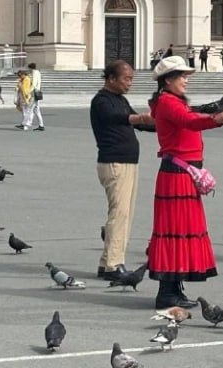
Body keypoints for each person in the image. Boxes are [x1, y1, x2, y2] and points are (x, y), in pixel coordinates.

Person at [148, 56, 223, 309]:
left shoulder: (172, 102)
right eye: (182, 76)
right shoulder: (167, 102)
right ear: (168, 80)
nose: (186, 80)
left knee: (179, 232)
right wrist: (221, 119)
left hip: (181, 174)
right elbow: (191, 122)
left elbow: (193, 121)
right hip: (177, 175)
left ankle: (173, 287)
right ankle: (167, 292)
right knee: (175, 232)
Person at [90, 60, 155, 281]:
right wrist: (137, 117)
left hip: (127, 163)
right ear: (111, 79)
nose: (130, 83)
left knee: (124, 214)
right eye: (126, 79)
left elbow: (140, 123)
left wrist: (164, 122)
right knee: (119, 214)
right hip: (114, 163)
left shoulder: (120, 100)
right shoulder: (101, 100)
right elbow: (114, 118)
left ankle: (107, 262)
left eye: (131, 79)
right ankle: (112, 265)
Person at [27, 62, 45, 131]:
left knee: (30, 108)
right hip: (38, 92)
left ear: (30, 68)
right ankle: (41, 125)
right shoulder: (38, 72)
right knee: (37, 110)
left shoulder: (34, 73)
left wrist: (28, 92)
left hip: (34, 93)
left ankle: (26, 123)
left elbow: (34, 84)